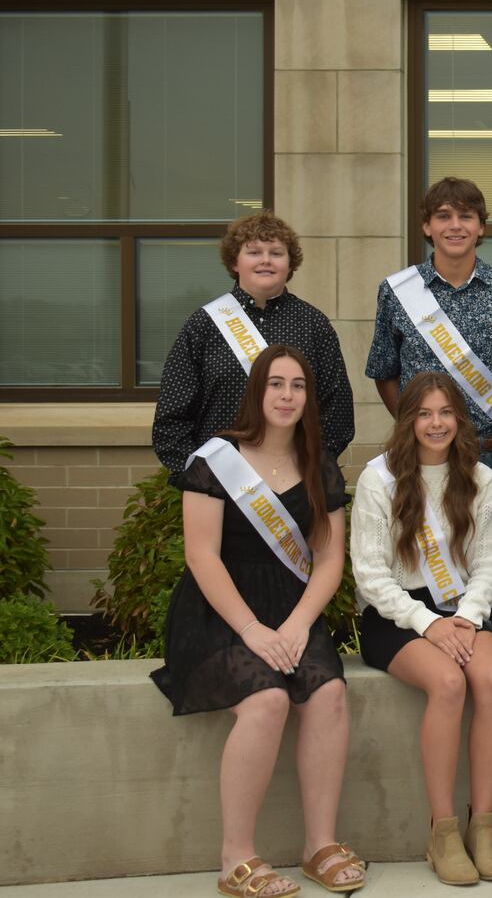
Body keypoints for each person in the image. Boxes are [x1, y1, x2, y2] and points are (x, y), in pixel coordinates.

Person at [151, 345, 364, 898]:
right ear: (257, 392)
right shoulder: (216, 460)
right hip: (220, 612)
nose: (287, 395)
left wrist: (296, 627)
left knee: (329, 695)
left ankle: (319, 844)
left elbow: (330, 559)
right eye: (276, 384)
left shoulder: (319, 462)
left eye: (298, 386)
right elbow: (202, 556)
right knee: (268, 701)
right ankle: (235, 859)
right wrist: (252, 630)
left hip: (291, 611)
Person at [350, 372, 492, 885]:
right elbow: (371, 576)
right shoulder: (380, 479)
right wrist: (428, 624)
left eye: (445, 413)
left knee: (491, 681)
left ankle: (481, 827)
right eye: (423, 413)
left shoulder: (479, 478)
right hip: (396, 613)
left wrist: (465, 617)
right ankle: (441, 832)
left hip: (463, 609)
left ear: (459, 419)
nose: (435, 423)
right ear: (407, 420)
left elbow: (488, 563)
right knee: (447, 683)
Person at [366, 176, 492, 544]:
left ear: (481, 227)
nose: (455, 225)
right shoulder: (397, 292)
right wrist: (417, 424)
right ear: (427, 226)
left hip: (489, 456)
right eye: (443, 216)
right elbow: (384, 371)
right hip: (419, 458)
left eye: (466, 216)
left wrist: (489, 418)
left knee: (488, 569)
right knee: (416, 563)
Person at [153, 211, 354, 475]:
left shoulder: (313, 324)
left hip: (294, 485)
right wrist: (200, 477)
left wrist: (306, 469)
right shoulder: (205, 325)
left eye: (276, 253)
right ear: (235, 262)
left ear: (290, 263)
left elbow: (336, 412)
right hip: (218, 484)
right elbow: (171, 416)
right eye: (254, 252)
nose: (266, 261)